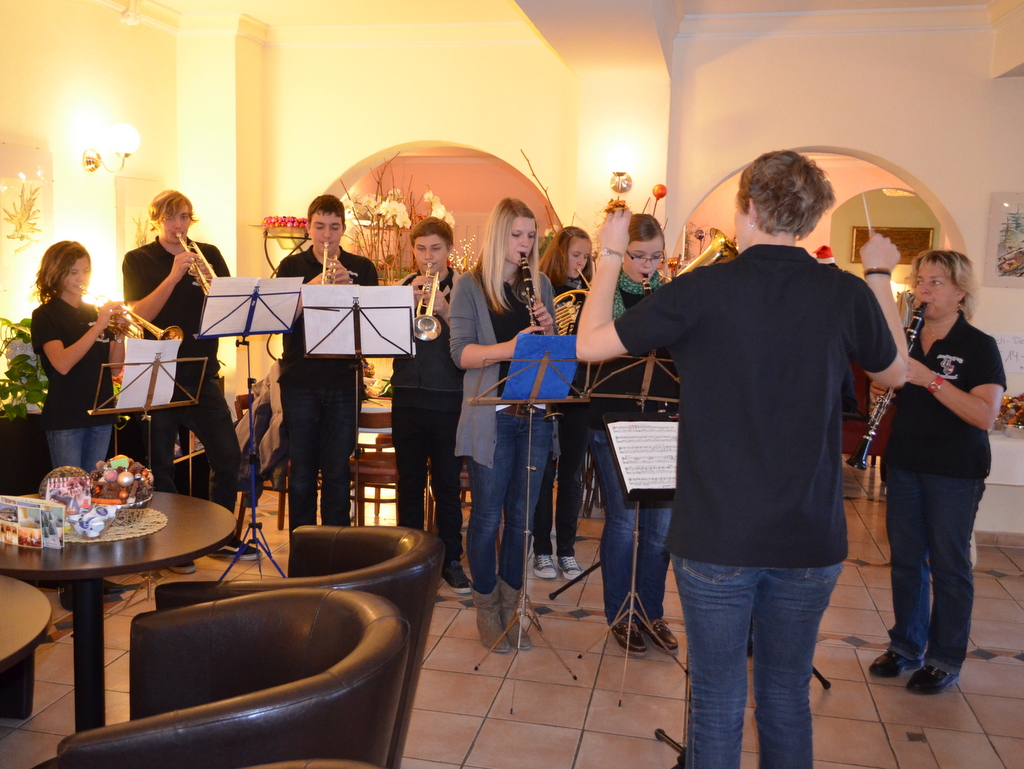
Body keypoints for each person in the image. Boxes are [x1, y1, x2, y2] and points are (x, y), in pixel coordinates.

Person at [577, 149, 908, 768]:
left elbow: (591, 344)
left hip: (716, 533)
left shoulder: (702, 289)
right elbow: (894, 372)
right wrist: (879, 275)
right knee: (785, 698)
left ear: (749, 207)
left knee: (718, 700)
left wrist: (612, 253)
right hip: (808, 535)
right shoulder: (844, 292)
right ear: (810, 215)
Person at [869, 250, 1005, 694]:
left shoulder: (978, 345)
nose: (922, 292)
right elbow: (888, 388)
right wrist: (882, 389)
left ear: (960, 292)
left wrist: (929, 378)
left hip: (955, 470)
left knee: (949, 565)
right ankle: (906, 646)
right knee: (906, 561)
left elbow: (984, 415)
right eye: (919, 282)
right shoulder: (905, 338)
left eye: (935, 283)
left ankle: (944, 658)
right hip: (905, 462)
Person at [449, 197, 556, 653]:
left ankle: (513, 609)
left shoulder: (541, 284)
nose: (525, 244)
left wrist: (549, 331)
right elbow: (461, 353)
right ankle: (486, 610)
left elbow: (554, 355)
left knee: (522, 520)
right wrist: (511, 347)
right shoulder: (470, 286)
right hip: (491, 417)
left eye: (531, 236)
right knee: (488, 516)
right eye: (517, 235)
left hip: (535, 414)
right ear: (498, 236)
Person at [123, 190, 247, 573]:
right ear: (157, 219)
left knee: (228, 456)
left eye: (186, 217)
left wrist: (211, 282)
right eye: (172, 217)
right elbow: (139, 314)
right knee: (160, 465)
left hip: (203, 372)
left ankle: (218, 534)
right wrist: (174, 276)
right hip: (159, 372)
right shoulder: (138, 259)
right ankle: (173, 544)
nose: (180, 225)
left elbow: (232, 309)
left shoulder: (207, 254)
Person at [584, 213, 679, 657]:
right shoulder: (604, 293)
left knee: (661, 529)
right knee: (623, 524)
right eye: (639, 256)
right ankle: (621, 614)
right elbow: (591, 347)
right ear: (622, 253)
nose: (648, 266)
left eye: (656, 257)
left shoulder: (671, 296)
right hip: (612, 420)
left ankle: (651, 612)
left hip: (663, 420)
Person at [276, 194, 378, 533]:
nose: (326, 235)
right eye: (319, 227)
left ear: (343, 229)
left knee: (337, 472)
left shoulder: (362, 268)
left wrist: (352, 289)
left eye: (334, 227)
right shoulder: (290, 267)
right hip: (299, 380)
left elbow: (372, 328)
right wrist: (311, 289)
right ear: (308, 228)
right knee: (302, 472)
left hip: (344, 380)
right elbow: (279, 321)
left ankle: (336, 547)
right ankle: (303, 548)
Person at [392, 216, 469, 593]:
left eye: (436, 249)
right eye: (421, 249)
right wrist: (403, 306)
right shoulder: (403, 287)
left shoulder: (466, 288)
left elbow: (474, 342)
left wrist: (445, 309)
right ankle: (407, 561)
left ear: (449, 250)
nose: (428, 257)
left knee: (446, 484)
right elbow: (384, 342)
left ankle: (450, 558)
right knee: (408, 483)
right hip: (407, 396)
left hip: (448, 399)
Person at [532, 225, 592, 582]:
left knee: (571, 476)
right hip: (548, 387)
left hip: (579, 391)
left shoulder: (592, 292)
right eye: (575, 255)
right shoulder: (542, 289)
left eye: (586, 256)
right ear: (560, 254)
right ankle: (542, 548)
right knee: (543, 474)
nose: (581, 262)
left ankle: (566, 550)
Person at [32, 241, 124, 469]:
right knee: (70, 486)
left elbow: (115, 367)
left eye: (85, 271)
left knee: (95, 484)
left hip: (101, 412)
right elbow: (62, 364)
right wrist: (98, 326)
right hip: (67, 415)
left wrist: (120, 334)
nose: (81, 278)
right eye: (73, 272)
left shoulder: (95, 312)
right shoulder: (45, 315)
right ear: (56, 273)